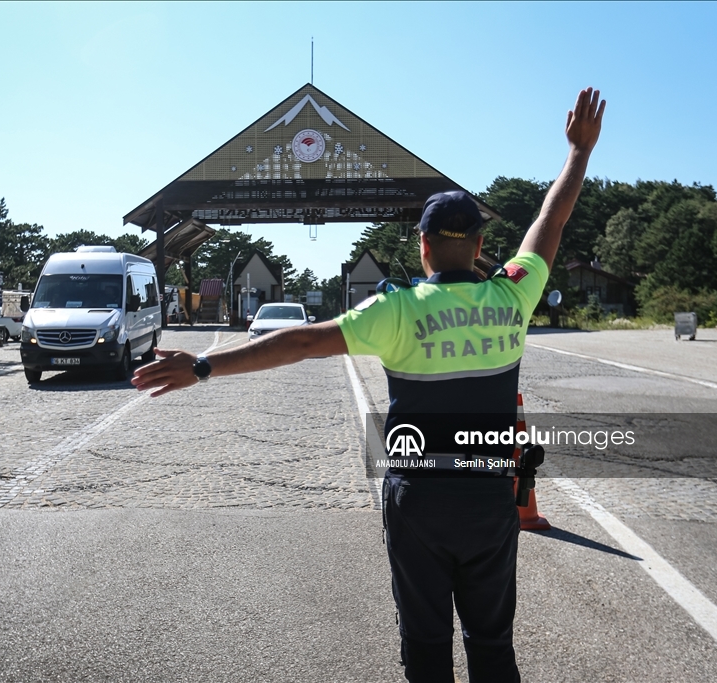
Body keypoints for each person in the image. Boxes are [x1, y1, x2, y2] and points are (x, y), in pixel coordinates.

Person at [132, 87, 605, 683]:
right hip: (489, 497)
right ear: (482, 248)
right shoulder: (512, 294)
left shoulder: (397, 311)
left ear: (423, 245)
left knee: (425, 646)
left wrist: (203, 366)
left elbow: (301, 341)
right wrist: (578, 154)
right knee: (492, 645)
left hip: (420, 497)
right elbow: (549, 220)